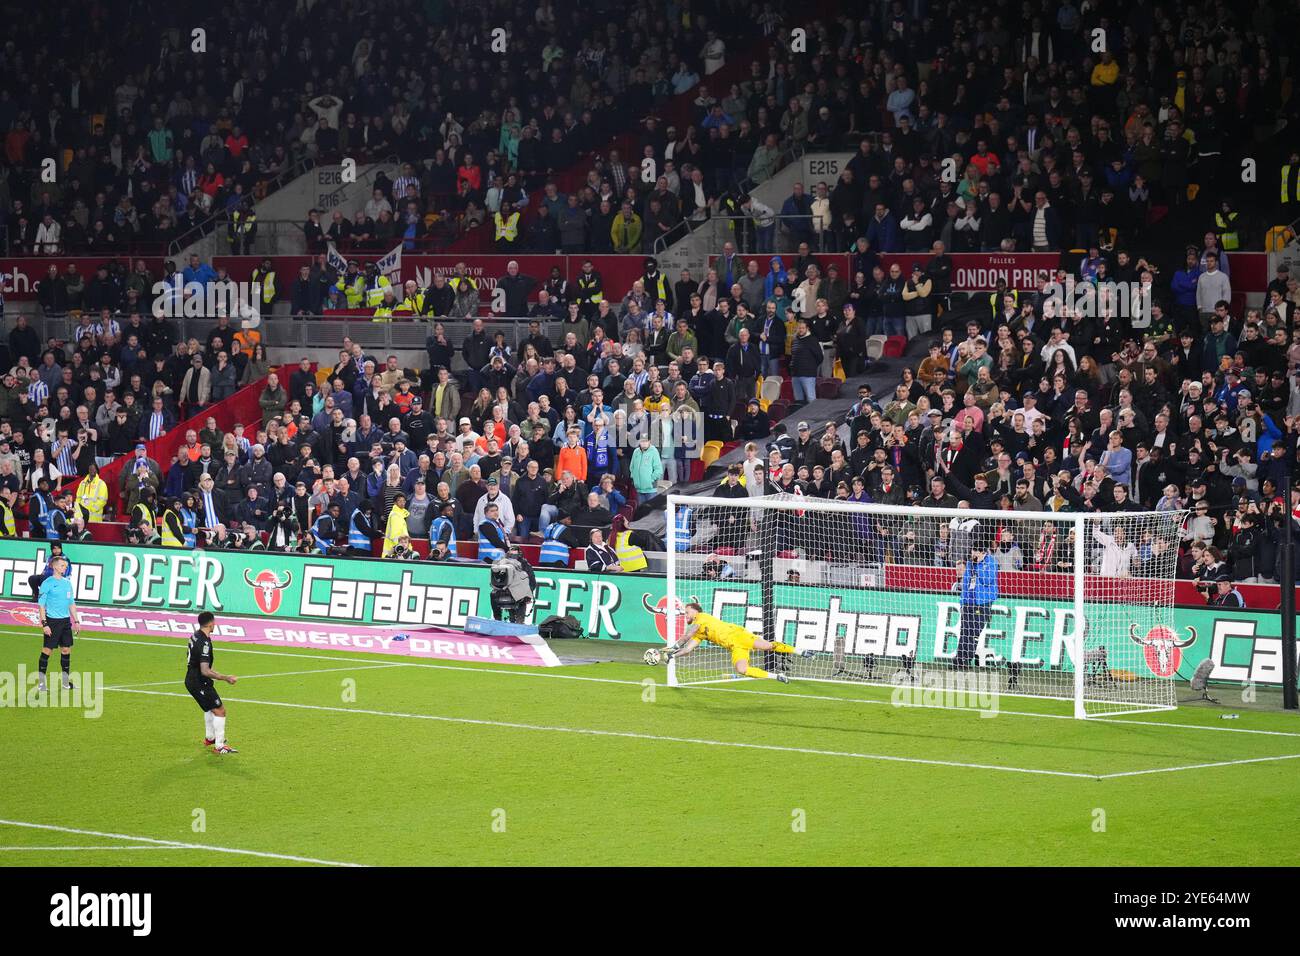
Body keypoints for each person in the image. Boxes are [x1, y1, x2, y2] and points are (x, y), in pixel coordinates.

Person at [666, 601, 812, 682]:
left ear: (696, 611)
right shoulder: (699, 634)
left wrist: (674, 646)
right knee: (742, 670)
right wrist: (673, 655)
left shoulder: (702, 617)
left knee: (768, 645)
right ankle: (778, 676)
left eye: (687, 612)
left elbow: (687, 635)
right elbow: (687, 650)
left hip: (738, 635)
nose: (686, 615)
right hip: (734, 647)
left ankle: (800, 651)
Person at [185, 610, 239, 754]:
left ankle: (210, 738)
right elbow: (205, 670)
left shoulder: (195, 636)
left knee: (209, 708)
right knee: (220, 710)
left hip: (192, 679)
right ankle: (219, 746)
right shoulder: (204, 643)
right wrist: (226, 678)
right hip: (199, 682)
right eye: (214, 622)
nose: (215, 624)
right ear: (210, 623)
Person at [955, 527, 997, 669]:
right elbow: (966, 584)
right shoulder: (970, 564)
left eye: (974, 551)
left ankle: (966, 661)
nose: (972, 554)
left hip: (982, 604)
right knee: (964, 631)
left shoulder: (991, 562)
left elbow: (987, 580)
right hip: (969, 603)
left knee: (974, 633)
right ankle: (958, 661)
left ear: (981, 552)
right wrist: (962, 602)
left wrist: (978, 565)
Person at [36, 555, 78, 694]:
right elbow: (41, 605)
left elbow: (71, 603)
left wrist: (76, 621)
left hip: (65, 622)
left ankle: (66, 682)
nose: (64, 568)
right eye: (62, 566)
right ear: (54, 566)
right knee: (47, 651)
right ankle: (41, 683)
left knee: (66, 650)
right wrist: (44, 624)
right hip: (52, 622)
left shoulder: (67, 583)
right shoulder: (47, 583)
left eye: (65, 566)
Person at [488, 545, 537, 623]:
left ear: (519, 554)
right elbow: (496, 579)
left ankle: (519, 621)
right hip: (505, 590)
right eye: (511, 554)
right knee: (493, 594)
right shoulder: (502, 563)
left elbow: (532, 581)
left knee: (521, 596)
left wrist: (528, 594)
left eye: (515, 554)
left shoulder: (524, 564)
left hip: (519, 591)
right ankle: (497, 619)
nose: (513, 557)